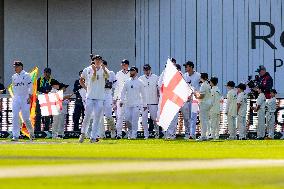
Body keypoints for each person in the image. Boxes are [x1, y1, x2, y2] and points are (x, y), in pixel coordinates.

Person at [78, 55, 109, 143]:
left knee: (97, 117)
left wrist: (102, 69)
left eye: (99, 60)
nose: (98, 61)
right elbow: (81, 80)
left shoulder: (104, 69)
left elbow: (107, 77)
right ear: (93, 60)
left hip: (100, 97)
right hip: (90, 96)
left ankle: (93, 137)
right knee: (87, 116)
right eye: (96, 60)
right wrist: (86, 88)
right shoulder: (87, 69)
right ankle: (83, 133)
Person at [11, 61, 35, 141]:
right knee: (15, 116)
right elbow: (14, 88)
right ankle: (15, 135)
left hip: (25, 98)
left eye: (16, 67)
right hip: (16, 98)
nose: (15, 68)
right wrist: (14, 97)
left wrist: (29, 96)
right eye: (14, 67)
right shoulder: (14, 76)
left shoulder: (27, 75)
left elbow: (30, 87)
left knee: (25, 118)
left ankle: (31, 133)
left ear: (21, 67)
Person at [120, 66, 146, 139]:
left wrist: (144, 104)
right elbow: (123, 92)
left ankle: (134, 134)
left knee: (135, 120)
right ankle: (130, 131)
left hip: (137, 104)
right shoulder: (127, 81)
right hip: (128, 104)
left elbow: (143, 94)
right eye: (130, 70)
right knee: (127, 119)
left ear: (136, 72)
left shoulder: (140, 82)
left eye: (132, 70)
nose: (131, 72)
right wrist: (122, 100)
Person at [139, 64, 159, 139]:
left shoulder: (156, 77)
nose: (147, 71)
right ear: (143, 70)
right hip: (144, 102)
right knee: (144, 120)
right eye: (145, 70)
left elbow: (159, 89)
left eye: (148, 69)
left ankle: (157, 133)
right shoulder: (140, 78)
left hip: (154, 101)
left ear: (150, 69)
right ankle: (146, 135)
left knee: (155, 119)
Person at [183, 61, 201, 139]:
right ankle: (187, 133)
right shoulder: (185, 75)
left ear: (190, 67)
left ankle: (192, 134)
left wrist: (196, 96)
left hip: (195, 99)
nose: (185, 68)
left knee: (193, 117)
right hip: (186, 99)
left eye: (186, 66)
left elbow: (201, 88)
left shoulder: (198, 76)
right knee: (186, 117)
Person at [113, 59, 130, 139]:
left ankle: (129, 133)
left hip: (130, 99)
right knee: (119, 117)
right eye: (122, 65)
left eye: (125, 64)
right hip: (120, 99)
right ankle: (119, 134)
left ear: (127, 65)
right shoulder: (118, 74)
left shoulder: (131, 73)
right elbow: (116, 87)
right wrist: (115, 98)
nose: (123, 66)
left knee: (129, 117)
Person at [99, 60, 116, 139]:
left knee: (108, 115)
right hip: (99, 95)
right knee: (99, 116)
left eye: (103, 65)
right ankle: (102, 133)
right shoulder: (98, 73)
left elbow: (115, 84)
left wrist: (110, 84)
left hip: (108, 95)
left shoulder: (111, 73)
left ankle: (113, 130)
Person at [194, 73, 211, 141]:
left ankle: (203, 136)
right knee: (206, 120)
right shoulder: (208, 85)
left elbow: (202, 96)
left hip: (204, 104)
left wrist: (196, 96)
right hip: (208, 103)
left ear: (202, 78)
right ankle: (207, 135)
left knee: (203, 120)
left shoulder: (203, 85)